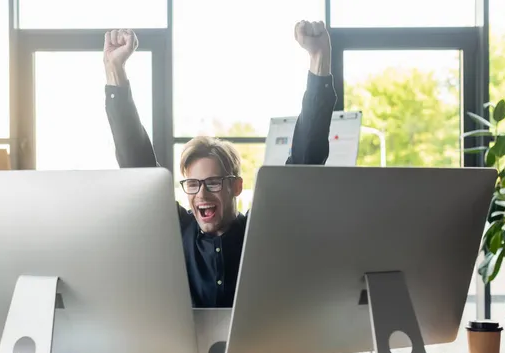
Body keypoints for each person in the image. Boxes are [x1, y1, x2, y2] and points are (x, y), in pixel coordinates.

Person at [104, 20, 337, 308]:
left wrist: (319, 57)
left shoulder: (260, 230)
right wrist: (115, 68)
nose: (201, 194)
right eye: (192, 184)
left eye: (213, 182)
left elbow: (305, 158)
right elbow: (136, 162)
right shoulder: (178, 230)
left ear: (236, 186)